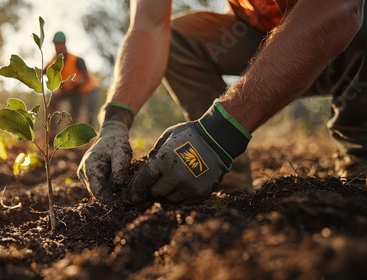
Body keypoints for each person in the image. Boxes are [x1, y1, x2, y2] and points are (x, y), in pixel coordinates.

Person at [78, 0, 366, 204]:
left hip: (345, 30)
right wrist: (114, 122)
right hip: (277, 38)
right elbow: (149, 27)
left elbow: (339, 7)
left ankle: (359, 177)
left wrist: (221, 132)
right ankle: (225, 183)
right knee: (179, 39)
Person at [46, 31, 100, 127]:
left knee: (88, 114)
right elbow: (43, 72)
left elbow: (85, 79)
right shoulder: (53, 61)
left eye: (60, 44)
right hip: (68, 90)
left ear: (65, 44)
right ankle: (51, 135)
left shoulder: (77, 60)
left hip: (87, 89)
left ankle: (86, 136)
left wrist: (72, 86)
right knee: (51, 104)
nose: (58, 47)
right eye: (56, 44)